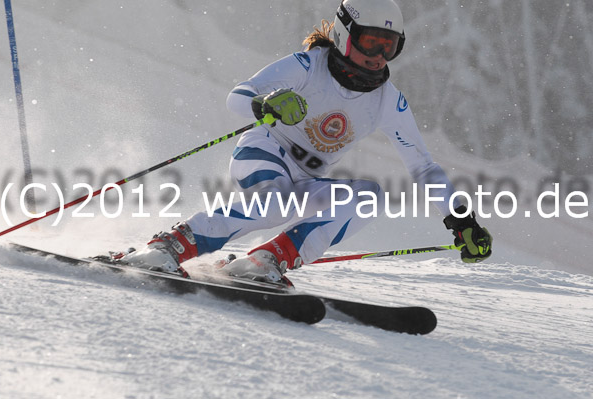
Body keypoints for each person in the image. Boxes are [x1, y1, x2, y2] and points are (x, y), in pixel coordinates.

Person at [114, 0, 492, 283]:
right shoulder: (307, 65)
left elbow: (424, 168)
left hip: (306, 175)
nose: (378, 56)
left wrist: (460, 219)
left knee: (367, 196)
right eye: (370, 42)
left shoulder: (387, 101)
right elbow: (238, 96)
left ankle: (267, 259)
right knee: (276, 202)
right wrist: (264, 103)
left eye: (389, 46)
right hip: (264, 150)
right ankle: (170, 245)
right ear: (345, 34)